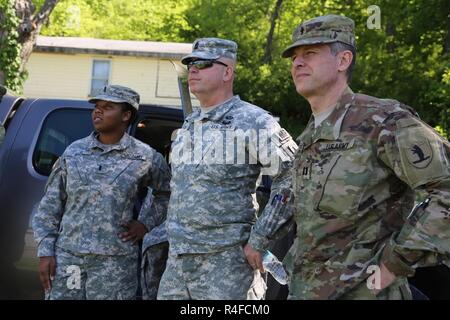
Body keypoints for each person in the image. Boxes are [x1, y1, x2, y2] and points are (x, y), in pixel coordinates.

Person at [248, 14, 450, 299]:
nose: (298, 62)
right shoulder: (310, 135)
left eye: (310, 53)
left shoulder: (383, 121)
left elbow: (445, 191)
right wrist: (259, 239)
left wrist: (394, 265)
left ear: (343, 60)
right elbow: (296, 202)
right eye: (294, 56)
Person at [157, 38, 298, 300]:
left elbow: (294, 176)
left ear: (227, 72)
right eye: (191, 64)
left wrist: (261, 238)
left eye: (203, 63)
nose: (193, 69)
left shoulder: (254, 121)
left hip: (226, 266)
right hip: (178, 265)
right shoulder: (191, 123)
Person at [32, 85, 171, 300]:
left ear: (126, 115)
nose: (98, 111)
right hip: (71, 259)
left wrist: (146, 224)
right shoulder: (74, 152)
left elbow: (169, 193)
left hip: (115, 264)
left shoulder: (145, 157)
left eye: (107, 107)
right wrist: (46, 251)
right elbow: (50, 205)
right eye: (97, 106)